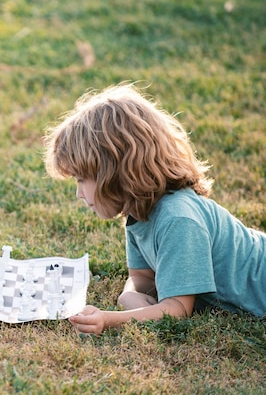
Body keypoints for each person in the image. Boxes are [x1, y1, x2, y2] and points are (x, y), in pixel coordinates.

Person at [43, 83, 265, 335]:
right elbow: (141, 278)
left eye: (82, 179)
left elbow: (178, 309)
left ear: (115, 172)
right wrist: (128, 296)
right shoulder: (137, 209)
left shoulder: (178, 218)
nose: (79, 193)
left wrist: (108, 319)